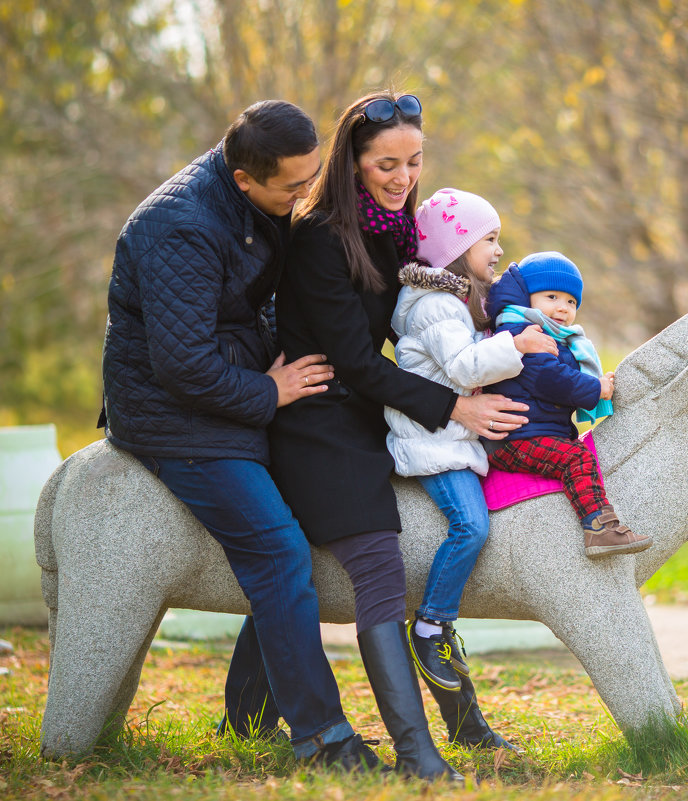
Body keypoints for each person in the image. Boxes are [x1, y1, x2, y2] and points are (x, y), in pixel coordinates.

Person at [219, 91, 529, 781]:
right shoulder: (320, 238)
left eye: (413, 161)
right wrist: (453, 407)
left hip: (365, 410)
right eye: (386, 163)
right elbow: (356, 360)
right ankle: (418, 754)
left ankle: (241, 722)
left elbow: (413, 324)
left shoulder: (396, 228)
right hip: (315, 421)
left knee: (298, 569)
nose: (402, 176)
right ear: (351, 161)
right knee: (380, 570)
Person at [99, 100, 381, 770]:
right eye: (294, 186)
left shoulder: (265, 205)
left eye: (311, 178)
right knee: (281, 551)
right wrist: (273, 391)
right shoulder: (180, 227)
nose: (305, 195)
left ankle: (251, 716)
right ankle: (322, 737)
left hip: (238, 396)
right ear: (243, 177)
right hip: (176, 418)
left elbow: (262, 301)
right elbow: (182, 364)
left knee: (313, 512)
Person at [383, 188, 554, 750]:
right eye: (489, 238)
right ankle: (430, 625)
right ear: (458, 246)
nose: (499, 249)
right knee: (471, 525)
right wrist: (519, 345)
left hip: (455, 439)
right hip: (435, 444)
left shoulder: (457, 302)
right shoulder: (433, 305)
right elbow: (461, 366)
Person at [483, 251, 653, 557]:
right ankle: (600, 529)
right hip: (515, 439)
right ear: (527, 296)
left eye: (571, 302)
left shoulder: (551, 336)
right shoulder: (523, 333)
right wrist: (596, 388)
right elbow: (551, 380)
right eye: (552, 297)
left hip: (537, 432)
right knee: (576, 458)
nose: (563, 308)